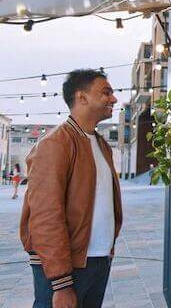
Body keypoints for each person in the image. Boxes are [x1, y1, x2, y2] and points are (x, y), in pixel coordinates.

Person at [20, 69, 123, 308]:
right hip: (67, 269)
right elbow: (45, 216)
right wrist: (61, 282)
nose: (114, 99)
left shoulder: (100, 144)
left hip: (97, 260)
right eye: (106, 92)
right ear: (82, 97)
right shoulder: (55, 144)